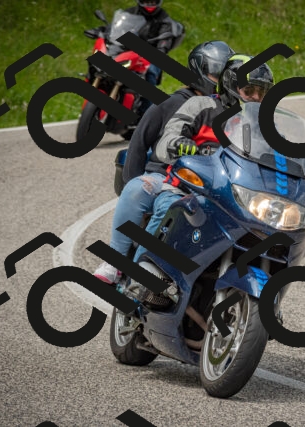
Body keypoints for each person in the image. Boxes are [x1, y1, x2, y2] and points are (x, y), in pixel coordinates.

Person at [94, 41, 235, 285]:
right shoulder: (169, 103)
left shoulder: (230, 111)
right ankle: (117, 262)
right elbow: (139, 143)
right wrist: (132, 182)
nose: (219, 82)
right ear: (198, 72)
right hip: (163, 174)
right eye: (215, 75)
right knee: (138, 189)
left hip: (207, 184)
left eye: (224, 76)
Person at [132, 54, 275, 263]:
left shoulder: (260, 124)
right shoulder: (200, 105)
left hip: (228, 196)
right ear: (231, 86)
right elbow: (167, 139)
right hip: (185, 187)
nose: (255, 97)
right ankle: (138, 271)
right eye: (249, 90)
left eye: (261, 93)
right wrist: (180, 144)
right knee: (168, 209)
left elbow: (273, 153)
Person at [125, 1, 184, 115]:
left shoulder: (165, 20)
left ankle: (147, 114)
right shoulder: (129, 13)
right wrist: (103, 31)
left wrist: (162, 47)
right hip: (127, 52)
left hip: (151, 56)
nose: (149, 3)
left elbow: (165, 40)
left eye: (152, 1)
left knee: (150, 72)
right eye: (146, 0)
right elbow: (115, 29)